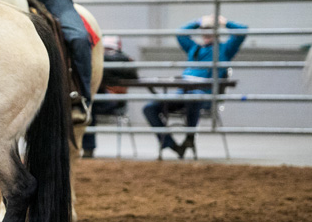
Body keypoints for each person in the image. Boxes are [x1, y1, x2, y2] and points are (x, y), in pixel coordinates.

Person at [143, 15, 247, 158]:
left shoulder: (225, 50)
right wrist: (199, 22)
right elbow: (180, 33)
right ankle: (170, 144)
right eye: (204, 30)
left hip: (203, 96)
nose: (207, 33)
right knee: (149, 108)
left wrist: (225, 22)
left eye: (210, 30)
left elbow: (242, 31)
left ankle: (190, 138)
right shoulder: (194, 49)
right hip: (182, 94)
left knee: (194, 97)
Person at [82, 36, 138, 158]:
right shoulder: (99, 61)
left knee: (89, 108)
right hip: (101, 98)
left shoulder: (122, 60)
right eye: (105, 50)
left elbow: (133, 75)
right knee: (87, 107)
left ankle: (88, 148)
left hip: (114, 101)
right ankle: (88, 148)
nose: (107, 53)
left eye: (110, 50)